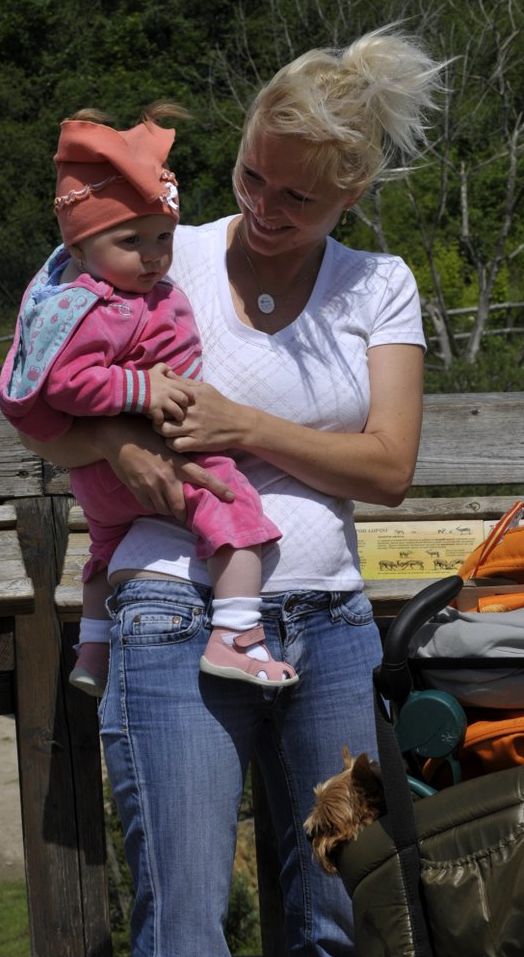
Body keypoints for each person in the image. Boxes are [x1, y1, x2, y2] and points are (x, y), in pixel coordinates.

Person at [19, 24, 442, 957]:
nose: (264, 207)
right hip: (170, 606)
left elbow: (391, 468)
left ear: (352, 193)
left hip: (332, 628)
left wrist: (243, 426)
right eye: (253, 175)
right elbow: (33, 395)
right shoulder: (162, 251)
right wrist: (115, 450)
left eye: (298, 196)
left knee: (340, 916)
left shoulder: (381, 285)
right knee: (184, 922)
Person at [0, 103, 297, 696]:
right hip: (153, 456)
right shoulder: (102, 306)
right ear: (81, 250)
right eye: (131, 241)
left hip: (100, 484)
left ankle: (92, 650)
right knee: (237, 512)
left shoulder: (105, 292)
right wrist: (147, 388)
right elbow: (67, 384)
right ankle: (237, 636)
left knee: (104, 554)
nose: (155, 255)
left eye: (163, 238)